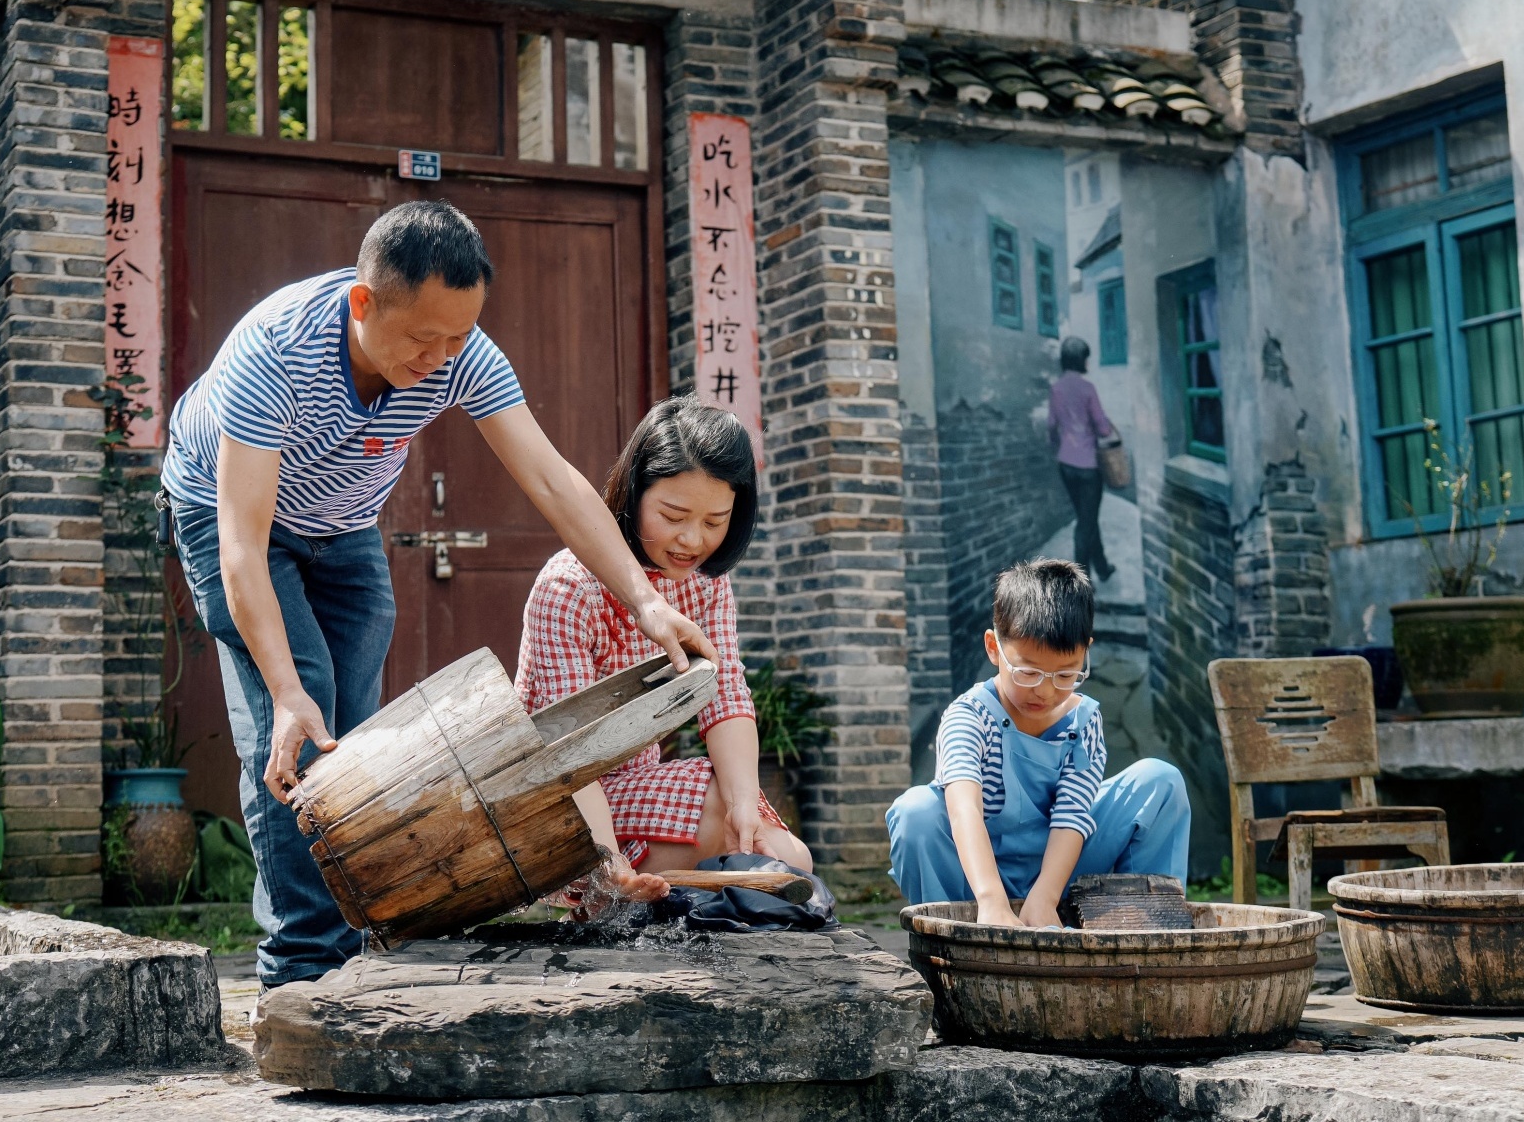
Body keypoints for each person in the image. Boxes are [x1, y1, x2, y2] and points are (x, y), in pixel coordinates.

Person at [159, 200, 717, 988]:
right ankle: (298, 974)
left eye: (459, 336)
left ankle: (358, 943)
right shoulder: (272, 353)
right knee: (301, 723)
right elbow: (243, 545)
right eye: (425, 338)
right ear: (363, 303)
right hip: (232, 519)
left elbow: (554, 482)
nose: (444, 357)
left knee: (355, 742)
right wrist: (283, 692)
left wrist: (645, 599)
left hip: (344, 520)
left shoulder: (464, 355)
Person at [515, 399, 812, 903]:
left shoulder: (706, 587)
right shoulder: (568, 587)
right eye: (673, 515)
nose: (691, 540)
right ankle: (602, 885)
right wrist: (605, 857)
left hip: (635, 786)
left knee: (789, 858)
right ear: (633, 493)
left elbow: (725, 695)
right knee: (744, 845)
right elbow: (569, 749)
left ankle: (650, 891)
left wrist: (746, 803)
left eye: (715, 521)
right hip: (554, 798)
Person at [884, 559, 1187, 923]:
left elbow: (1072, 816)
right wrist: (992, 900)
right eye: (1028, 672)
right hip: (976, 879)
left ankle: (1139, 930)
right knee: (914, 812)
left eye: (1065, 673)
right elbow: (964, 811)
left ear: (1085, 652)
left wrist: (1045, 895)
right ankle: (956, 937)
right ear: (994, 647)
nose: (1045, 691)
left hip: (1062, 873)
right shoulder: (969, 717)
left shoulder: (1083, 720)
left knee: (1160, 781)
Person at [1049, 335, 1118, 579]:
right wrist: (1106, 425)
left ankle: (1102, 567)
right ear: (1080, 360)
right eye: (1086, 357)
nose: (1088, 362)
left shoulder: (1056, 388)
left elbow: (1052, 426)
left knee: (1086, 517)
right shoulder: (1088, 389)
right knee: (1086, 522)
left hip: (1065, 465)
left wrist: (1060, 446)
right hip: (1088, 466)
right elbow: (1103, 429)